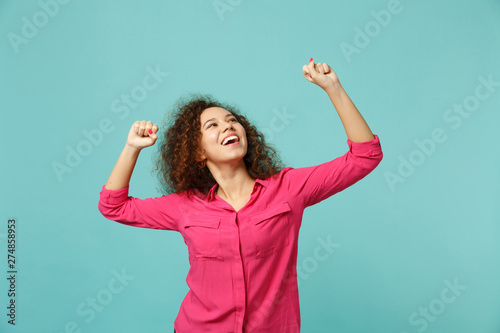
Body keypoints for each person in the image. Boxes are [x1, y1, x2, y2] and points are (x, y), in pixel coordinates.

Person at [98, 58, 383, 333]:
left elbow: (365, 156)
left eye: (232, 120)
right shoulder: (185, 207)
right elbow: (114, 206)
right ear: (197, 151)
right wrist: (132, 147)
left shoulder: (288, 188)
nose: (228, 126)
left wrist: (333, 87)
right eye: (213, 125)